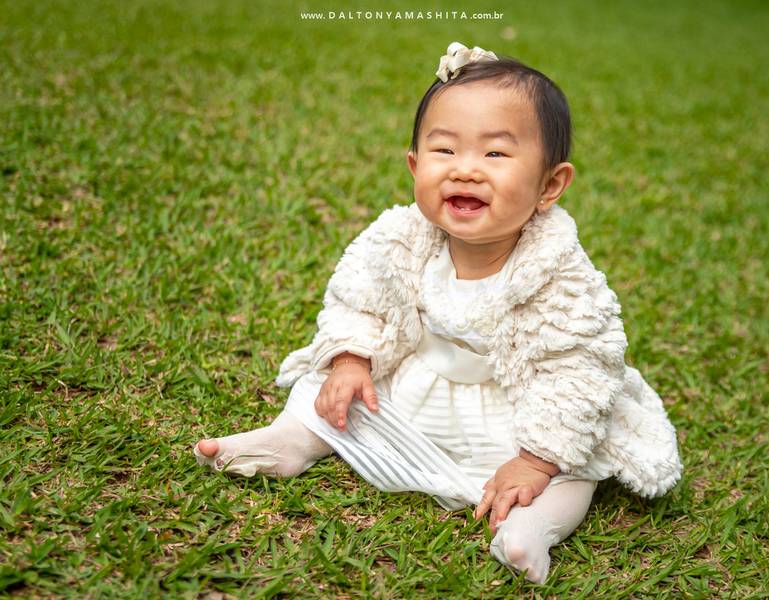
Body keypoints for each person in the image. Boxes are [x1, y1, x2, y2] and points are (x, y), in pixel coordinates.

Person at [194, 42, 683, 584]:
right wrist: (352, 359)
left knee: (578, 468)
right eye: (444, 151)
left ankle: (534, 528)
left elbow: (577, 373)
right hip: (417, 383)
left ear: (550, 185)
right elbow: (360, 296)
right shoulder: (400, 236)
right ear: (414, 165)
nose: (466, 171)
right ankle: (289, 441)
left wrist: (536, 458)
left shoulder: (562, 277)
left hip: (515, 406)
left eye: (496, 155)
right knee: (322, 388)